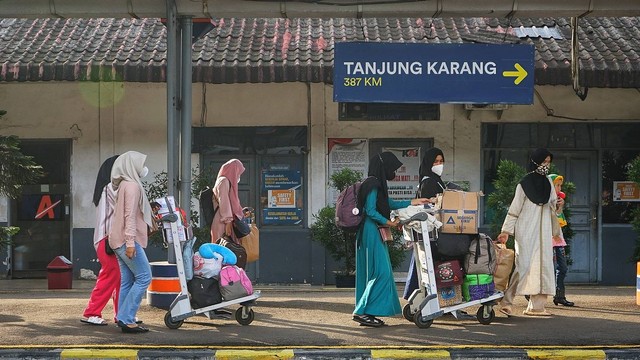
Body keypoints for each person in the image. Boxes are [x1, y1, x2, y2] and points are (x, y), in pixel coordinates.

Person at [352, 152, 430, 327]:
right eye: (392, 168)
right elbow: (371, 211)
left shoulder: (375, 183)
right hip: (371, 231)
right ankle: (361, 312)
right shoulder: (373, 183)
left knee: (374, 273)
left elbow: (389, 204)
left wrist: (413, 202)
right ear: (383, 167)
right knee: (381, 273)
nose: (393, 172)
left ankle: (367, 312)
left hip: (372, 231)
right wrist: (391, 223)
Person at [402, 147, 474, 320]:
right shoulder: (429, 182)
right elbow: (429, 208)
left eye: (441, 161)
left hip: (434, 234)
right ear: (428, 163)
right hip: (435, 235)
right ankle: (447, 302)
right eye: (436, 162)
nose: (439, 165)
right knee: (447, 265)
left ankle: (446, 302)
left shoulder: (434, 180)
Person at [496, 148, 562, 317]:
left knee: (544, 267)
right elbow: (514, 210)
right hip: (526, 231)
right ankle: (507, 302)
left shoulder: (548, 183)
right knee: (523, 266)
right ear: (535, 162)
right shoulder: (524, 184)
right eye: (543, 162)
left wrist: (558, 206)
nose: (546, 165)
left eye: (548, 162)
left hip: (544, 231)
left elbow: (553, 206)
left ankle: (536, 307)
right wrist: (506, 232)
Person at [109, 151, 156, 333]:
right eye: (140, 163)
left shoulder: (123, 185)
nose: (143, 167)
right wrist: (130, 243)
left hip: (118, 239)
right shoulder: (133, 186)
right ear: (132, 166)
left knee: (127, 281)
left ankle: (123, 316)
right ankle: (127, 318)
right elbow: (129, 216)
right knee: (144, 277)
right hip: (127, 239)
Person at [80, 155, 120, 326]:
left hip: (105, 239)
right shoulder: (110, 188)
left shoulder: (105, 189)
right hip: (108, 240)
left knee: (119, 277)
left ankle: (122, 314)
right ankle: (91, 312)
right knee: (110, 276)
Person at [548, 174, 575, 307]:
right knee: (547, 268)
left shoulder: (558, 201)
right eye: (556, 185)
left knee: (562, 268)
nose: (559, 188)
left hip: (558, 239)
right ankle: (532, 293)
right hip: (546, 239)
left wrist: (560, 207)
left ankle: (559, 295)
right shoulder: (544, 201)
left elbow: (561, 222)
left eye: (560, 185)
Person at [211, 159, 245, 243]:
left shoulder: (225, 181)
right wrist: (228, 222)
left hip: (224, 219)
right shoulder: (224, 181)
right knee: (223, 249)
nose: (238, 176)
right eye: (238, 172)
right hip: (223, 221)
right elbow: (224, 202)